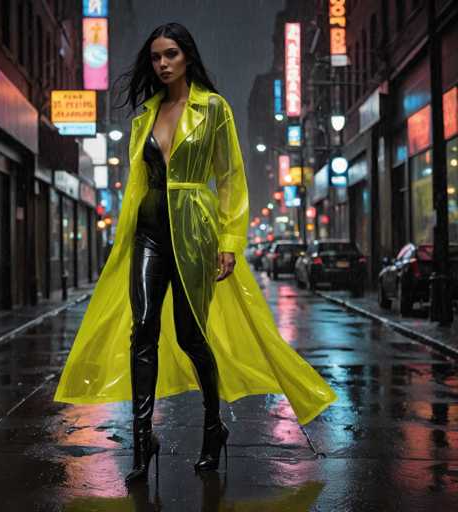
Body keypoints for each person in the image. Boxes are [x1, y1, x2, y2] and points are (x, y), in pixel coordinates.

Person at [53, 22, 337, 486]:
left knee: (190, 336)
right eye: (155, 58)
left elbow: (231, 179)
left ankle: (213, 426)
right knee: (141, 330)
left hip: (193, 230)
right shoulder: (145, 114)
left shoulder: (214, 108)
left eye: (170, 55)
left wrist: (229, 241)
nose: (161, 64)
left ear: (187, 56)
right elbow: (137, 185)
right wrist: (121, 240)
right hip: (147, 230)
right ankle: (143, 442)